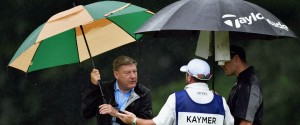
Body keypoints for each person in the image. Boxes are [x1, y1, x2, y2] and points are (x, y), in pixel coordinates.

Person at [116, 58, 234, 125]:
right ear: (208, 77)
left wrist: (134, 121)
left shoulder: (177, 99)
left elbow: (156, 124)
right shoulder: (221, 101)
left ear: (189, 77)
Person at [81, 55, 153, 125]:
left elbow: (146, 122)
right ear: (116, 75)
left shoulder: (143, 93)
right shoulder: (103, 89)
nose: (133, 76)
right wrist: (93, 86)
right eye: (128, 73)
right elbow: (87, 113)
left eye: (134, 71)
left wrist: (116, 113)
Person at [221, 45, 263, 125]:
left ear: (236, 59)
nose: (222, 65)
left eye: (224, 60)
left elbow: (246, 123)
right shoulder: (241, 83)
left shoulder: (249, 85)